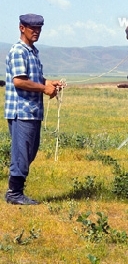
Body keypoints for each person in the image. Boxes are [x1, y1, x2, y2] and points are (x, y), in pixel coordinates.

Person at [4, 14, 63, 205]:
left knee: (30, 151)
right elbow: (19, 81)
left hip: (32, 110)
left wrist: (49, 82)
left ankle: (15, 190)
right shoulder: (18, 51)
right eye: (33, 29)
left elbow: (35, 79)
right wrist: (44, 88)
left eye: (39, 29)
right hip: (21, 110)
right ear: (22, 28)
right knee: (22, 152)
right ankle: (14, 193)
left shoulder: (33, 52)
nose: (36, 32)